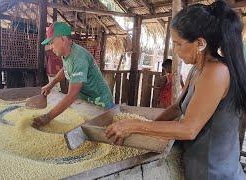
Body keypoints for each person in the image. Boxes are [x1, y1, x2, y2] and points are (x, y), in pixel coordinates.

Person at [105, 1, 246, 179]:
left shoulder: (217, 72)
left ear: (200, 43)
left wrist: (134, 126)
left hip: (217, 173)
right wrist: (146, 133)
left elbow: (189, 129)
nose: (175, 50)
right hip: (197, 168)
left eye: (179, 44)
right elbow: (176, 108)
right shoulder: (197, 69)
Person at [30, 22, 114, 128]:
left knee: (100, 133)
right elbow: (66, 69)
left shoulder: (79, 58)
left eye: (52, 42)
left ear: (63, 39)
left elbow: (71, 96)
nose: (51, 47)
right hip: (87, 101)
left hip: (101, 104)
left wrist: (47, 117)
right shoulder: (67, 53)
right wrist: (51, 84)